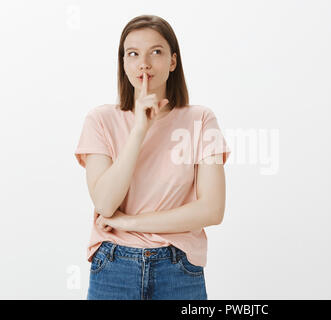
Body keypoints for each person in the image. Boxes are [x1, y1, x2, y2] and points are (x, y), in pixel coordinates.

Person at [74, 14, 231, 300]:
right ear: (124, 63)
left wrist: (129, 222)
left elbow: (212, 210)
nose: (143, 63)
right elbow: (105, 203)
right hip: (113, 266)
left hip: (179, 267)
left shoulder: (201, 120)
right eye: (133, 54)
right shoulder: (100, 120)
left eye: (155, 52)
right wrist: (139, 130)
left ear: (172, 61)